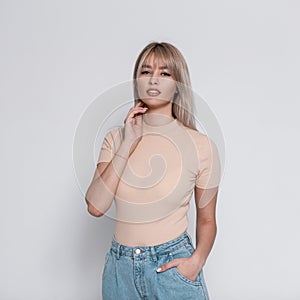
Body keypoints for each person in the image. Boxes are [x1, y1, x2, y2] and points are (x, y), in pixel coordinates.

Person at [85, 42, 221, 300]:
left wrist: (196, 262)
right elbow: (95, 206)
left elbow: (207, 220)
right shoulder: (115, 139)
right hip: (119, 270)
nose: (153, 80)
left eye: (165, 73)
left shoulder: (201, 146)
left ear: (178, 84)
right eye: (146, 72)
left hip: (172, 269)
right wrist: (127, 143)